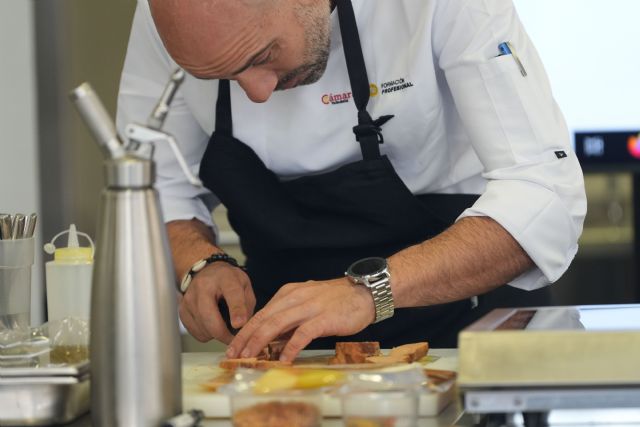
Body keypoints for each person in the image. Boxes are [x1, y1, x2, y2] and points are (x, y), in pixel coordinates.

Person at [116, 0, 586, 362]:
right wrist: (201, 265)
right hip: (293, 358)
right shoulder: (171, 14)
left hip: (465, 337)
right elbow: (153, 187)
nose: (257, 94)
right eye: (221, 75)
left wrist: (370, 290)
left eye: (262, 55)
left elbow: (544, 193)